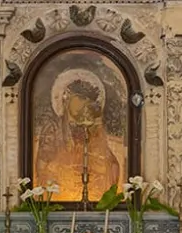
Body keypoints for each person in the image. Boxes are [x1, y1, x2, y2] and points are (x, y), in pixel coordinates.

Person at [35, 72, 123, 204]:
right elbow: (42, 167)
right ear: (66, 98)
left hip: (92, 188)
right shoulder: (53, 128)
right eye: (80, 98)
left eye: (88, 100)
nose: (84, 104)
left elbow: (109, 163)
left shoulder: (93, 128)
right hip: (61, 190)